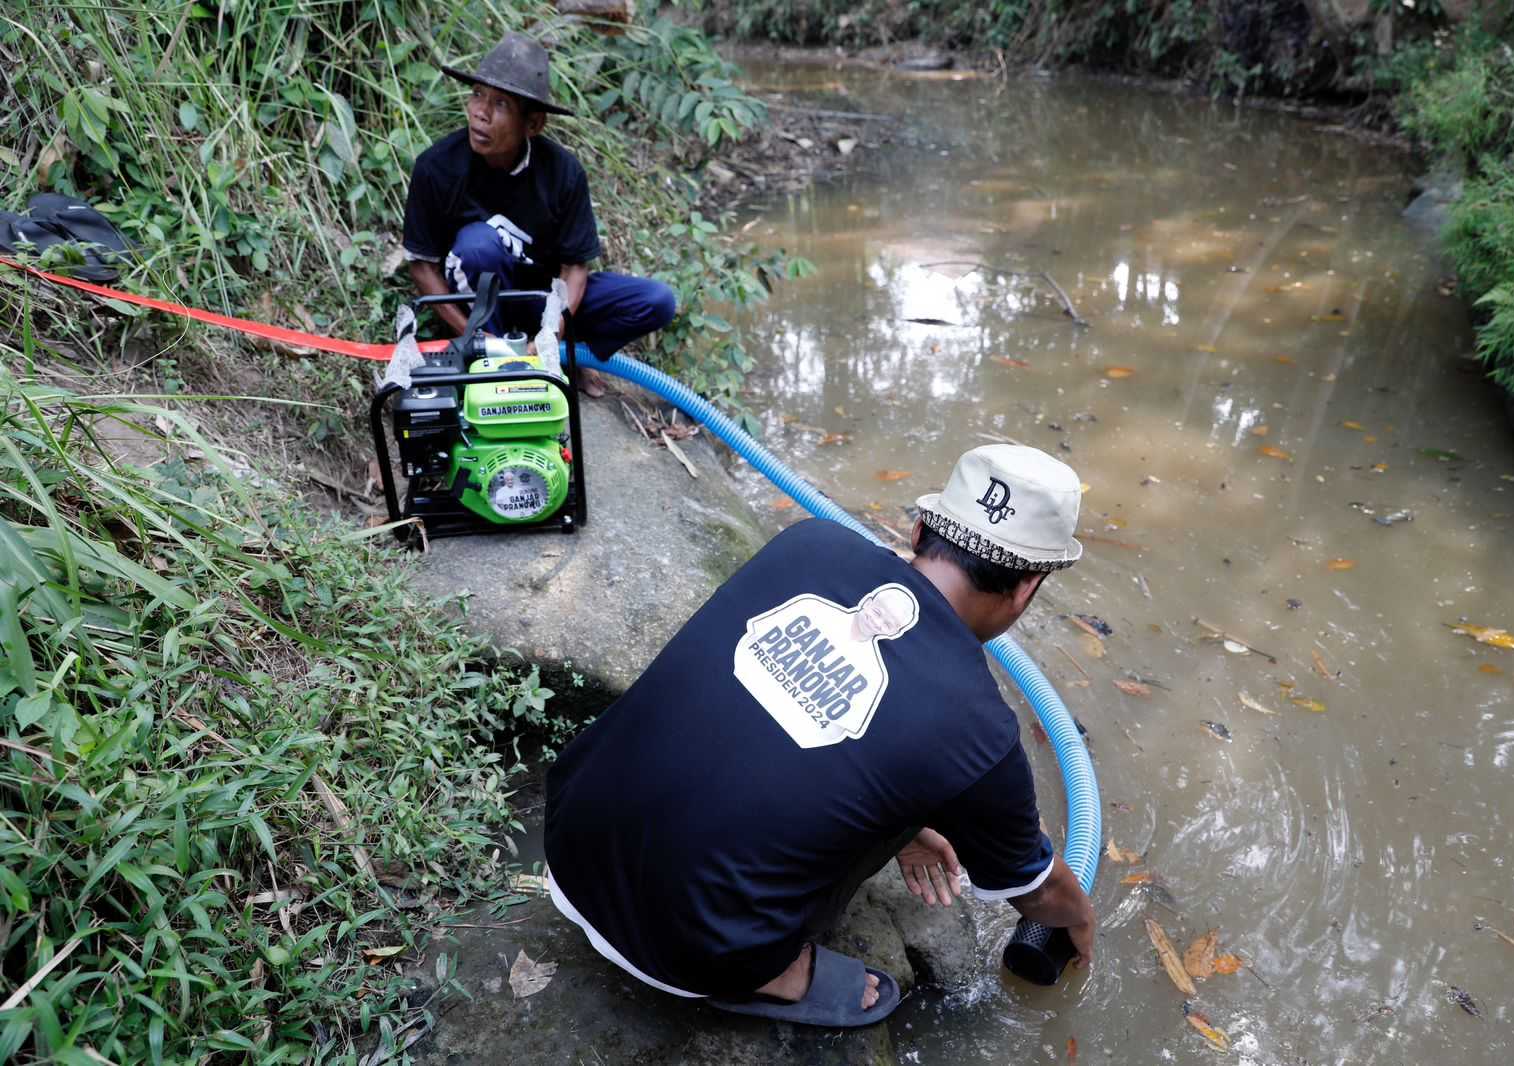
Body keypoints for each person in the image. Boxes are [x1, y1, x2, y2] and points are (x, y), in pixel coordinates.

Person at [543, 444, 1098, 1028]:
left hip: (569, 841)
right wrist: (1079, 919)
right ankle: (768, 973)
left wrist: (913, 827)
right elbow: (1037, 894)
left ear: (918, 530)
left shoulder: (810, 543)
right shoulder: (980, 729)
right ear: (1027, 588)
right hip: (682, 953)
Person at [401, 33, 676, 398]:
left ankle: (569, 359)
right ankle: (493, 366)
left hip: (543, 299)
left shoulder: (563, 173)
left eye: (500, 104)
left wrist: (552, 333)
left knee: (657, 302)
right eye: (477, 95)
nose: (480, 112)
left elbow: (575, 269)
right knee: (477, 245)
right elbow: (422, 266)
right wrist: (473, 334)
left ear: (533, 125)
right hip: (485, 303)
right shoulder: (437, 167)